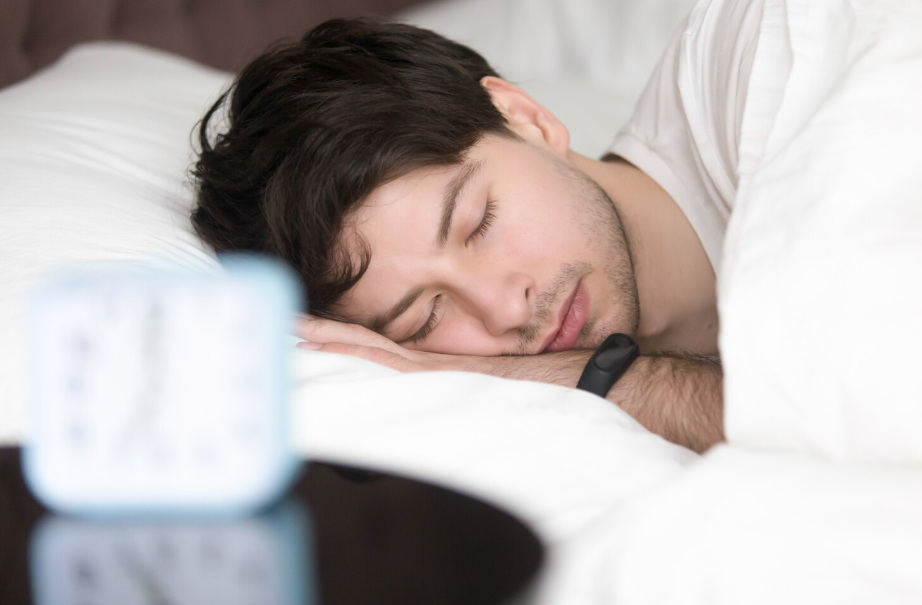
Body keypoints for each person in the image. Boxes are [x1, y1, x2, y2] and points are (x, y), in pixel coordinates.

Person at [191, 0, 763, 453]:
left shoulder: (769, 59)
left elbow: (841, 410)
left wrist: (602, 380)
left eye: (478, 223)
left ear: (527, 118)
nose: (504, 309)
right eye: (427, 316)